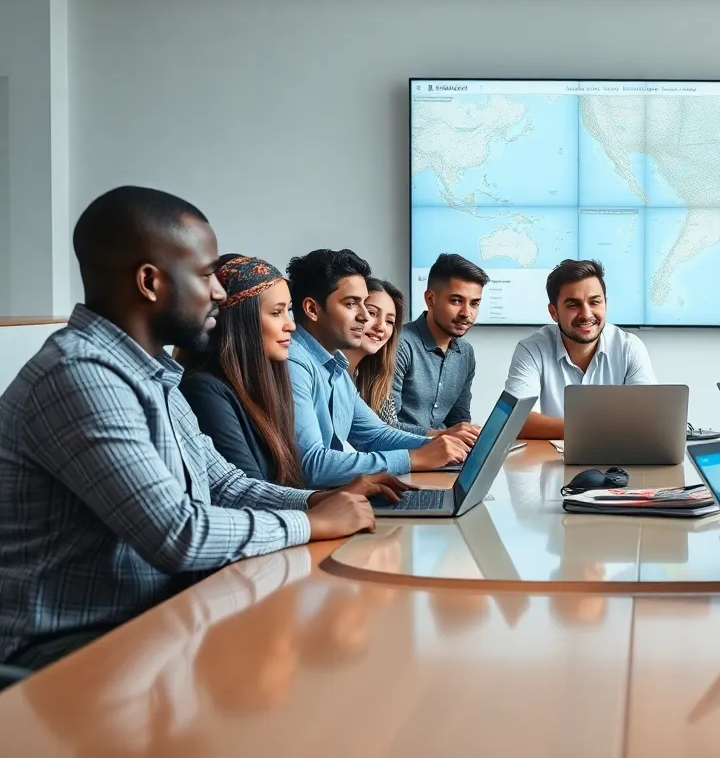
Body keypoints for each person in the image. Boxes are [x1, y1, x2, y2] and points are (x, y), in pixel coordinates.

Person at [0, 187, 392, 671]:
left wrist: (316, 501)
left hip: (151, 623)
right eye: (206, 275)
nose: (219, 294)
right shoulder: (80, 374)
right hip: (66, 650)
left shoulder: (154, 375)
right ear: (150, 282)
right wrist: (311, 523)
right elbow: (177, 533)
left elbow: (224, 484)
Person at [286, 249, 468, 488]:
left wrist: (442, 447)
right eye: (352, 304)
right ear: (312, 309)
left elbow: (376, 434)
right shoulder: (293, 361)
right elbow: (312, 466)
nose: (364, 317)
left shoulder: (335, 365)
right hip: (310, 504)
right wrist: (413, 458)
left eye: (365, 304)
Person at [177, 254, 306, 485]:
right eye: (276, 312)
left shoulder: (257, 389)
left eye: (289, 311)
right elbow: (247, 492)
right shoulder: (203, 390)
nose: (291, 325)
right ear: (240, 321)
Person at [504, 259, 656, 440]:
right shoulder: (532, 349)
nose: (586, 314)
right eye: (573, 305)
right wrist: (594, 429)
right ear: (554, 312)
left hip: (618, 456)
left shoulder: (629, 347)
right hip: (552, 457)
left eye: (595, 302)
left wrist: (579, 429)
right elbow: (515, 421)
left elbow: (648, 419)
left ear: (605, 304)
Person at [392, 254, 487, 443]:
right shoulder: (399, 345)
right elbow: (383, 426)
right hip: (402, 453)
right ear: (430, 299)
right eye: (456, 301)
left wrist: (470, 436)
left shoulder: (466, 353)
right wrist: (442, 436)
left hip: (445, 453)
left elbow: (459, 421)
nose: (466, 313)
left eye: (474, 303)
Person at [348, 278, 431, 434]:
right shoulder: (331, 372)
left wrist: (439, 439)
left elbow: (388, 431)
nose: (380, 326)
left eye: (389, 321)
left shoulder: (376, 377)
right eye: (372, 313)